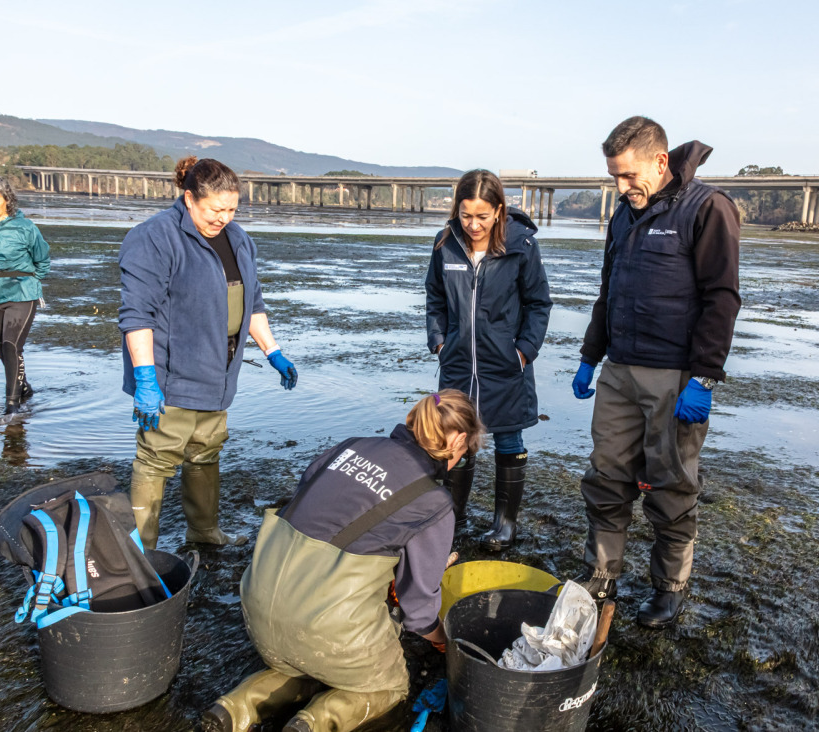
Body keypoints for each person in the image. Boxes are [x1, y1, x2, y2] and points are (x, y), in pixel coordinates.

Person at [203, 390, 482, 732]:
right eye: (464, 456)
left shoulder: (350, 446)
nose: (458, 462)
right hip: (326, 627)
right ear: (458, 440)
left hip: (258, 605)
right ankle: (313, 723)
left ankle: (234, 708)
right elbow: (419, 611)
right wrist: (443, 639)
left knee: (303, 663)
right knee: (385, 686)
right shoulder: (433, 502)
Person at [572, 117, 741, 628]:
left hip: (674, 376)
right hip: (619, 370)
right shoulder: (623, 216)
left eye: (628, 175)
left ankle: (669, 587)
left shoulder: (707, 208)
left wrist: (704, 377)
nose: (621, 187)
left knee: (671, 485)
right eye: (614, 177)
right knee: (606, 477)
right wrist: (590, 356)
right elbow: (609, 291)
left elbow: (722, 298)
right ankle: (601, 574)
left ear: (660, 161)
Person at [118, 156, 298, 550]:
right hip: (170, 377)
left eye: (232, 210)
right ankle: (141, 551)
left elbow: (252, 303)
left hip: (218, 375)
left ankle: (204, 532)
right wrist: (146, 378)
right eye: (216, 210)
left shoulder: (238, 239)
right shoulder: (155, 238)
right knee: (156, 460)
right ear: (189, 199)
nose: (224, 218)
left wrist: (273, 352)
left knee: (205, 453)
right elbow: (136, 315)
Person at [424, 169, 552, 551]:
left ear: (498, 211)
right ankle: (453, 521)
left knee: (509, 436)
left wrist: (524, 351)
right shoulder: (445, 244)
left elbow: (539, 303)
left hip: (506, 364)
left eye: (482, 216)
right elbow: (435, 298)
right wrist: (439, 343)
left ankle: (504, 526)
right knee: (455, 440)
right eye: (466, 215)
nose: (473, 225)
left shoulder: (521, 246)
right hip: (457, 365)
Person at [0, 175, 50, 415]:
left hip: (21, 292)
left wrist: (30, 282)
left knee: (11, 345)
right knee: (3, 350)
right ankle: (23, 388)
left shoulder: (25, 227)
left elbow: (42, 259)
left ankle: (11, 406)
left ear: (7, 200)